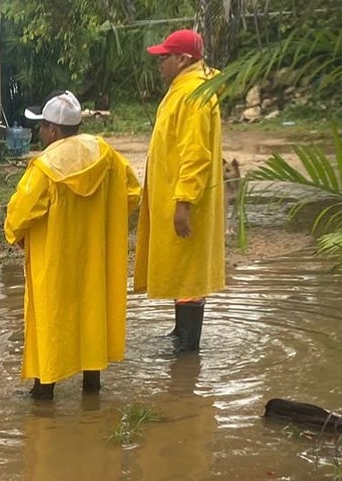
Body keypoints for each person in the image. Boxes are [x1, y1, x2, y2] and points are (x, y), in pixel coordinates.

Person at [4, 91, 141, 401]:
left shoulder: (45, 166)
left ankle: (43, 393)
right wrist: (105, 222)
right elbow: (132, 192)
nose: (39, 133)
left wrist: (15, 235)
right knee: (91, 313)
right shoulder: (106, 155)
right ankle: (92, 389)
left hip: (55, 261)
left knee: (50, 318)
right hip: (94, 259)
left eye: (42, 127)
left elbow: (21, 213)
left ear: (53, 130)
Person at [135, 29, 226, 353]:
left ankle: (188, 345)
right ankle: (180, 333)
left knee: (188, 272)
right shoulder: (183, 89)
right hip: (174, 196)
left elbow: (195, 153)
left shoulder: (193, 95)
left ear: (183, 59)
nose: (159, 64)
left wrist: (184, 201)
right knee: (181, 268)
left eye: (164, 58)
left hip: (185, 200)